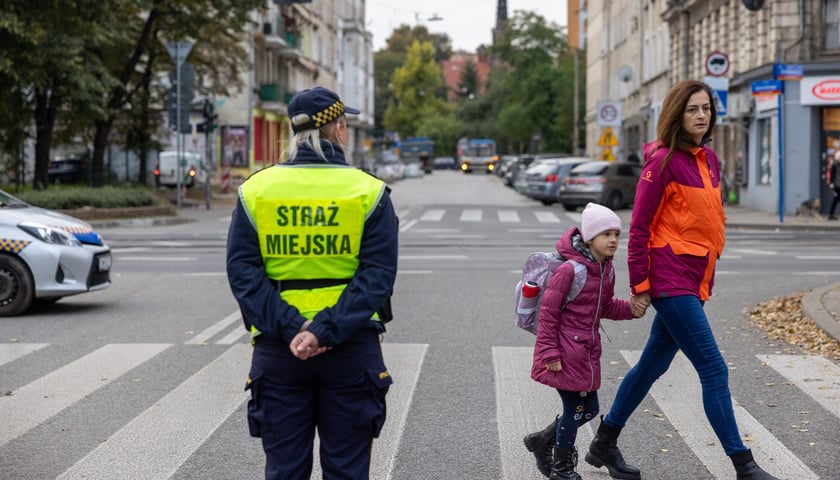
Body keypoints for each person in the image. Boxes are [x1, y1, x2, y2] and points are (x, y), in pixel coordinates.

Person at [584, 79, 782, 480]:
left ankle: (604, 441)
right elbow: (638, 228)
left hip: (696, 277)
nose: (701, 115)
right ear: (677, 113)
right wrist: (640, 287)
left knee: (650, 366)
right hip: (670, 279)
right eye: (692, 109)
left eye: (706, 108)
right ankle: (743, 465)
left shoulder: (708, 159)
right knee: (713, 368)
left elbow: (709, 221)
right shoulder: (662, 162)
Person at [226, 86, 399, 480]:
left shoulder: (256, 190)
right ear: (338, 130)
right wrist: (324, 330)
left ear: (293, 132)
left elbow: (243, 273)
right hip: (350, 348)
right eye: (345, 125)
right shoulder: (367, 191)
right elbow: (376, 278)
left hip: (279, 349)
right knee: (347, 471)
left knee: (285, 471)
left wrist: (294, 329)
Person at [525, 202, 645, 480]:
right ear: (589, 238)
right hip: (565, 353)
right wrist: (549, 353)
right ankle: (562, 468)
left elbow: (603, 307)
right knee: (575, 409)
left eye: (616, 233)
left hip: (586, 354)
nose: (614, 239)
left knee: (589, 410)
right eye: (606, 234)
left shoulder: (606, 270)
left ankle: (542, 440)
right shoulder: (570, 271)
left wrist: (631, 309)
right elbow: (548, 314)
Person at [828, 151, 840, 220]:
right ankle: (831, 214)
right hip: (837, 186)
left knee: (835, 200)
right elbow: (832, 175)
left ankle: (831, 214)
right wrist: (831, 183)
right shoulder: (834, 165)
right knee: (835, 200)